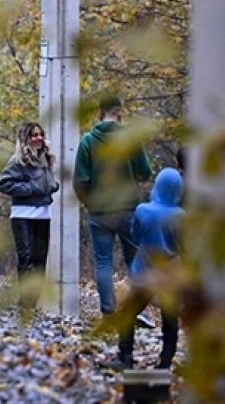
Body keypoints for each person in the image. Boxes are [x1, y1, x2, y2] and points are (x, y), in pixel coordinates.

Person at [74, 95, 153, 316]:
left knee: (103, 263)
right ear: (119, 112)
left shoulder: (88, 141)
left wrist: (90, 202)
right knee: (135, 260)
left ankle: (108, 312)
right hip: (127, 210)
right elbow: (145, 172)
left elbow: (80, 181)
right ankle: (135, 311)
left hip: (99, 213)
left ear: (100, 112)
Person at [108, 167, 183, 370]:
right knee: (170, 319)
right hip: (171, 275)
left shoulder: (143, 211)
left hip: (145, 272)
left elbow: (135, 235)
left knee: (128, 314)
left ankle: (125, 357)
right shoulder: (182, 217)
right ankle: (165, 362)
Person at [0, 123, 60, 307]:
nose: (38, 138)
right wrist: (29, 188)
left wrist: (52, 186)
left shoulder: (46, 159)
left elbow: (48, 182)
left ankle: (33, 300)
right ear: (26, 138)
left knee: (40, 259)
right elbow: (3, 183)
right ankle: (25, 301)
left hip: (43, 214)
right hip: (23, 215)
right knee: (26, 258)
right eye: (33, 135)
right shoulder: (18, 161)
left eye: (40, 134)